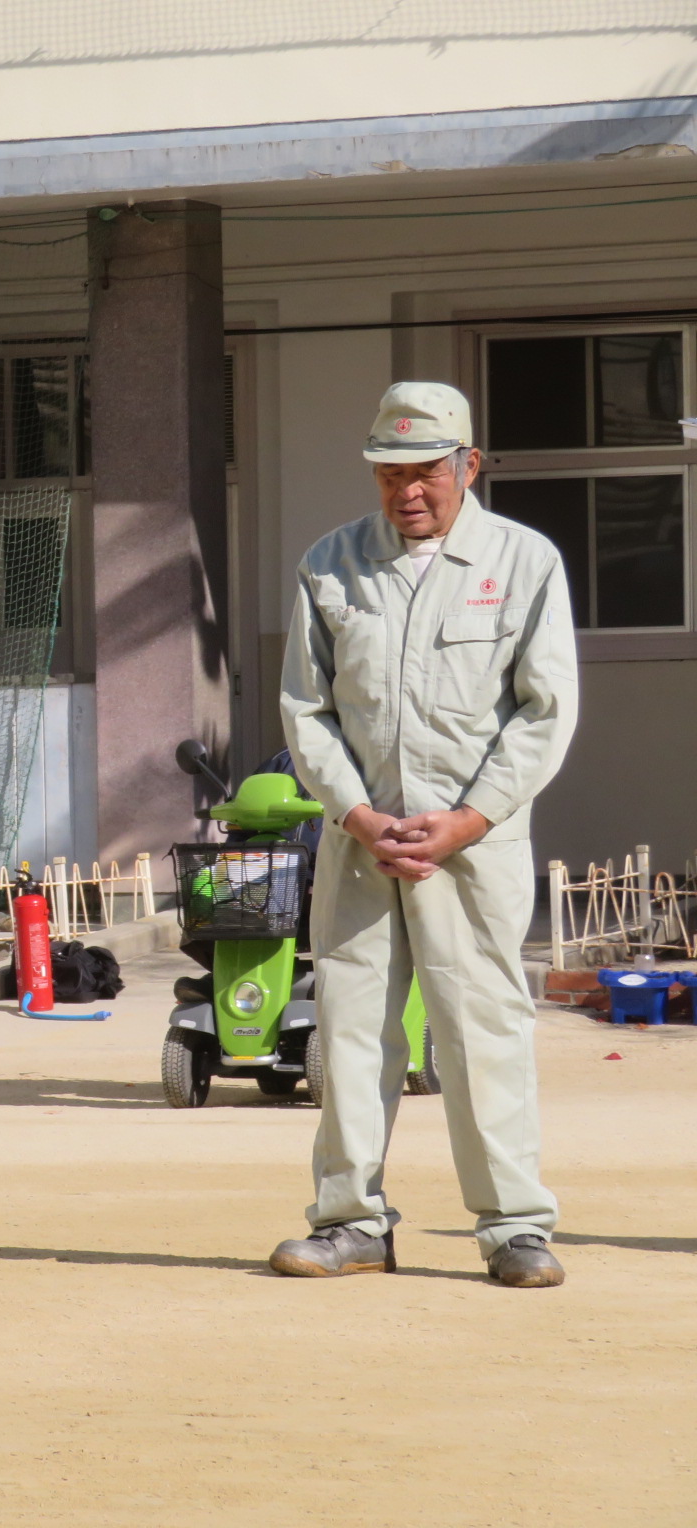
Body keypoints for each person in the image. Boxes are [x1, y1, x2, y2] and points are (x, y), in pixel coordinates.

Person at [276, 381, 577, 1287]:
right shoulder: (331, 565)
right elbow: (306, 709)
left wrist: (469, 819)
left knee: (484, 1029)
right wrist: (359, 814)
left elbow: (545, 711)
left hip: (474, 850)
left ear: (468, 465)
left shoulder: (523, 563)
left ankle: (515, 1227)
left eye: (427, 472)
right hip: (362, 846)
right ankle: (350, 1221)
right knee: (354, 1030)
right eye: (390, 472)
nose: (409, 491)